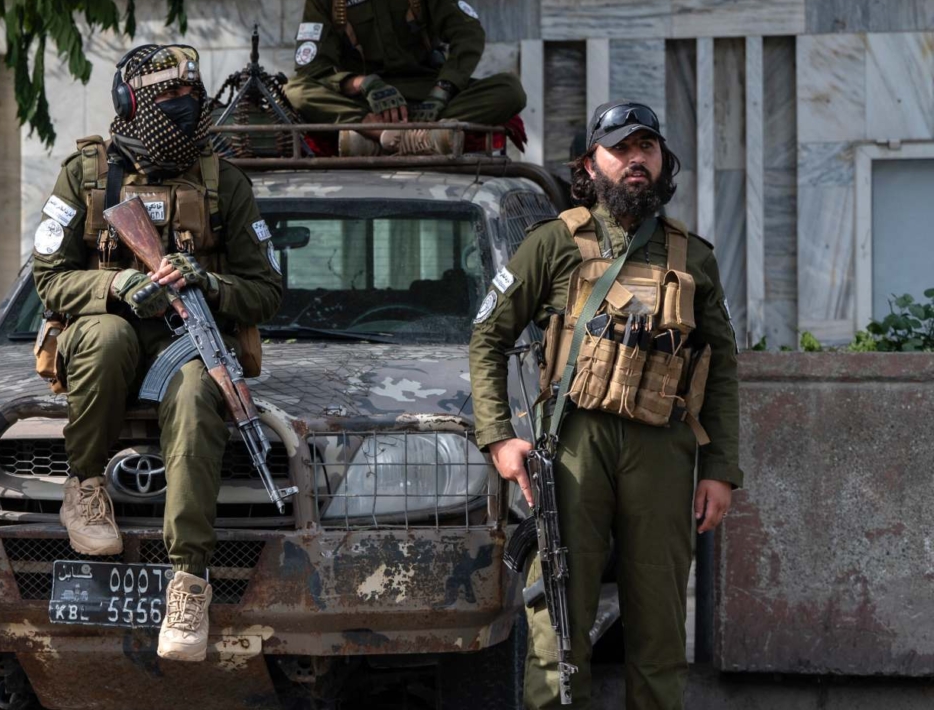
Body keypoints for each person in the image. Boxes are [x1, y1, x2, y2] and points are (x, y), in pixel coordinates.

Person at [468, 101, 742, 709]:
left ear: (663, 160)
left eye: (646, 147)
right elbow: (487, 336)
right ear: (590, 166)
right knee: (558, 629)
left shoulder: (693, 256)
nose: (635, 159)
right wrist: (498, 437)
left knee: (660, 630)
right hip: (573, 446)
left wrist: (720, 468)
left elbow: (721, 366)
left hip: (662, 448)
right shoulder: (553, 244)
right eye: (620, 149)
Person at [31, 44, 283, 661]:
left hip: (188, 338)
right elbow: (49, 279)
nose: (184, 103)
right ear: (131, 102)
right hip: (107, 336)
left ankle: (188, 581)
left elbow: (268, 291)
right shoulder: (86, 174)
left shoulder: (224, 182)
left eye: (191, 92)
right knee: (109, 336)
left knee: (199, 393)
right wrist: (116, 285)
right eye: (167, 94)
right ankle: (85, 486)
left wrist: (209, 283)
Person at [283, 0, 527, 155]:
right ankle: (387, 133)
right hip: (366, 102)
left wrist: (441, 92)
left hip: (427, 96)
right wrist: (364, 83)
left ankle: (383, 139)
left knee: (509, 90)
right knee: (297, 90)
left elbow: (468, 33)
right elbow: (312, 68)